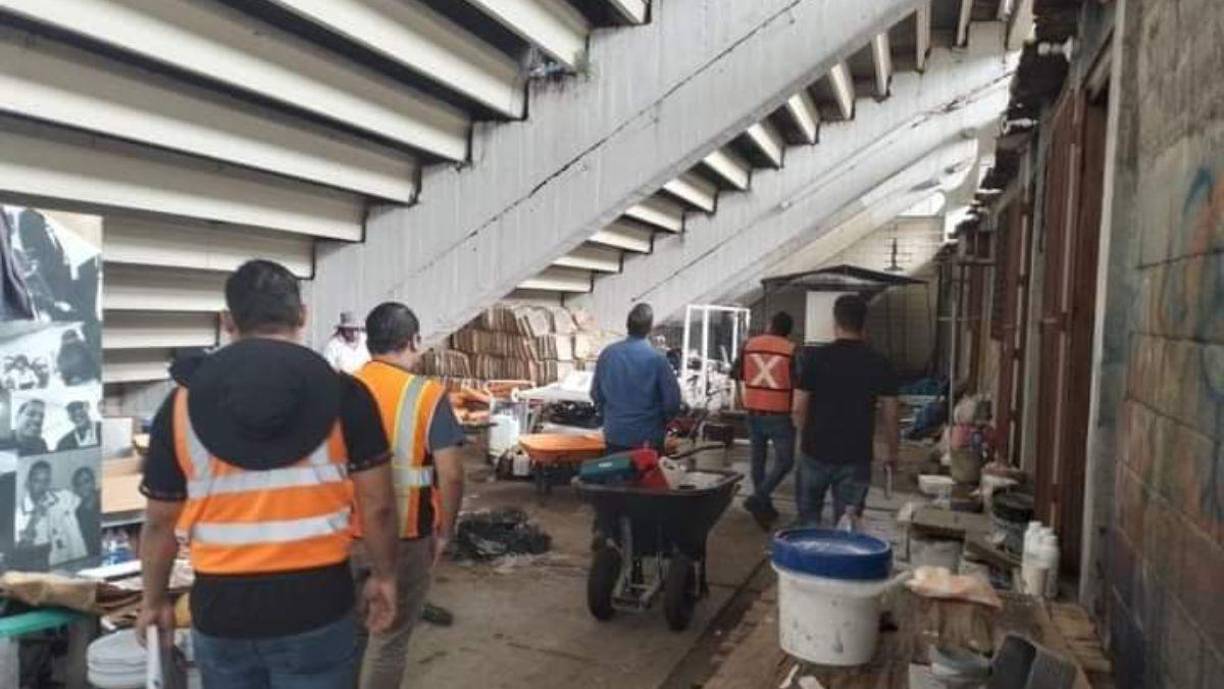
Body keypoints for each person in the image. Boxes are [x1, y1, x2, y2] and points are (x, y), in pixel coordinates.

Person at [134, 260, 402, 689]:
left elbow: (158, 522)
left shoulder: (180, 406)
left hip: (222, 611)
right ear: (302, 315)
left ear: (227, 322)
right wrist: (385, 576)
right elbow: (379, 506)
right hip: (317, 605)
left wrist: (152, 600)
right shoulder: (344, 395)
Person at [352, 302, 466, 689]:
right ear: (413, 340)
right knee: (389, 639)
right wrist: (446, 532)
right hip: (405, 537)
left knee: (351, 637)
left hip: (343, 535)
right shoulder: (427, 395)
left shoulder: (342, 386)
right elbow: (450, 475)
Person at [791, 295, 899, 526]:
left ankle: (809, 561)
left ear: (835, 322)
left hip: (815, 452)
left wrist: (805, 438)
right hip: (855, 456)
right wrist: (892, 452)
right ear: (864, 323)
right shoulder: (879, 362)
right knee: (846, 528)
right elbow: (891, 414)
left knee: (808, 522)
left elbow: (798, 408)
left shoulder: (815, 359)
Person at [589, 303, 682, 453]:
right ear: (650, 327)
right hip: (647, 438)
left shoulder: (608, 354)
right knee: (645, 476)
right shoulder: (657, 360)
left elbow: (595, 393)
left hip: (615, 436)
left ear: (627, 325)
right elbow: (672, 402)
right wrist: (661, 422)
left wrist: (610, 417)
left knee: (615, 474)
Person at [734, 312, 797, 527]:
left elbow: (737, 374)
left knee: (757, 462)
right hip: (779, 414)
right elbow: (798, 384)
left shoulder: (749, 345)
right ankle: (759, 499)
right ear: (788, 330)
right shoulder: (791, 350)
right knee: (785, 461)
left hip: (753, 411)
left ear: (770, 324)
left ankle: (761, 502)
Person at [16, 460, 88, 566]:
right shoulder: (19, 514)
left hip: (76, 562)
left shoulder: (64, 497)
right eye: (37, 481)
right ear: (28, 483)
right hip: (47, 572)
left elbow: (86, 497)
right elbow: (21, 554)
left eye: (46, 481)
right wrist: (33, 521)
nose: (42, 486)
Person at [72, 466, 101, 558]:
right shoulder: (78, 513)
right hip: (93, 557)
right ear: (76, 489)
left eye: (86, 481)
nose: (83, 487)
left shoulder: (104, 499)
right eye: (79, 484)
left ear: (93, 482)